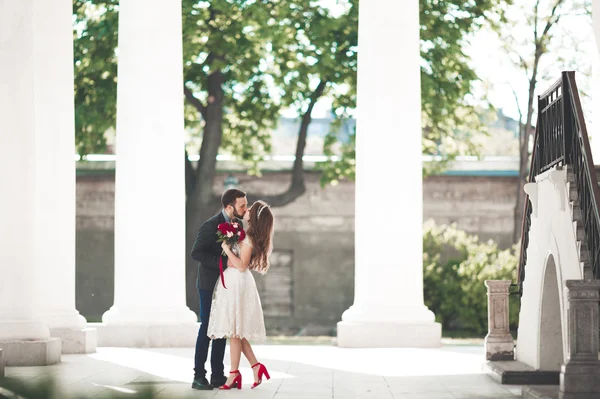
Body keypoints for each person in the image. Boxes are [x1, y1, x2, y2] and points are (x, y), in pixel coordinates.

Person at [207, 200, 274, 390]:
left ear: (254, 217)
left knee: (235, 331)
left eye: (250, 209)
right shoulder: (247, 235)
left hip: (238, 281)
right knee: (235, 331)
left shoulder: (250, 238)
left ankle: (234, 373)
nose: (246, 210)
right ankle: (254, 366)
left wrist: (227, 248)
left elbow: (242, 265)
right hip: (235, 281)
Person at [190, 188, 248, 390]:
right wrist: (223, 263)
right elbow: (196, 253)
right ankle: (198, 376)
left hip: (228, 284)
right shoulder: (209, 226)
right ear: (228, 206)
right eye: (242, 205)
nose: (245, 209)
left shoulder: (238, 224)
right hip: (209, 284)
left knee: (223, 327)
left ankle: (217, 375)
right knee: (207, 327)